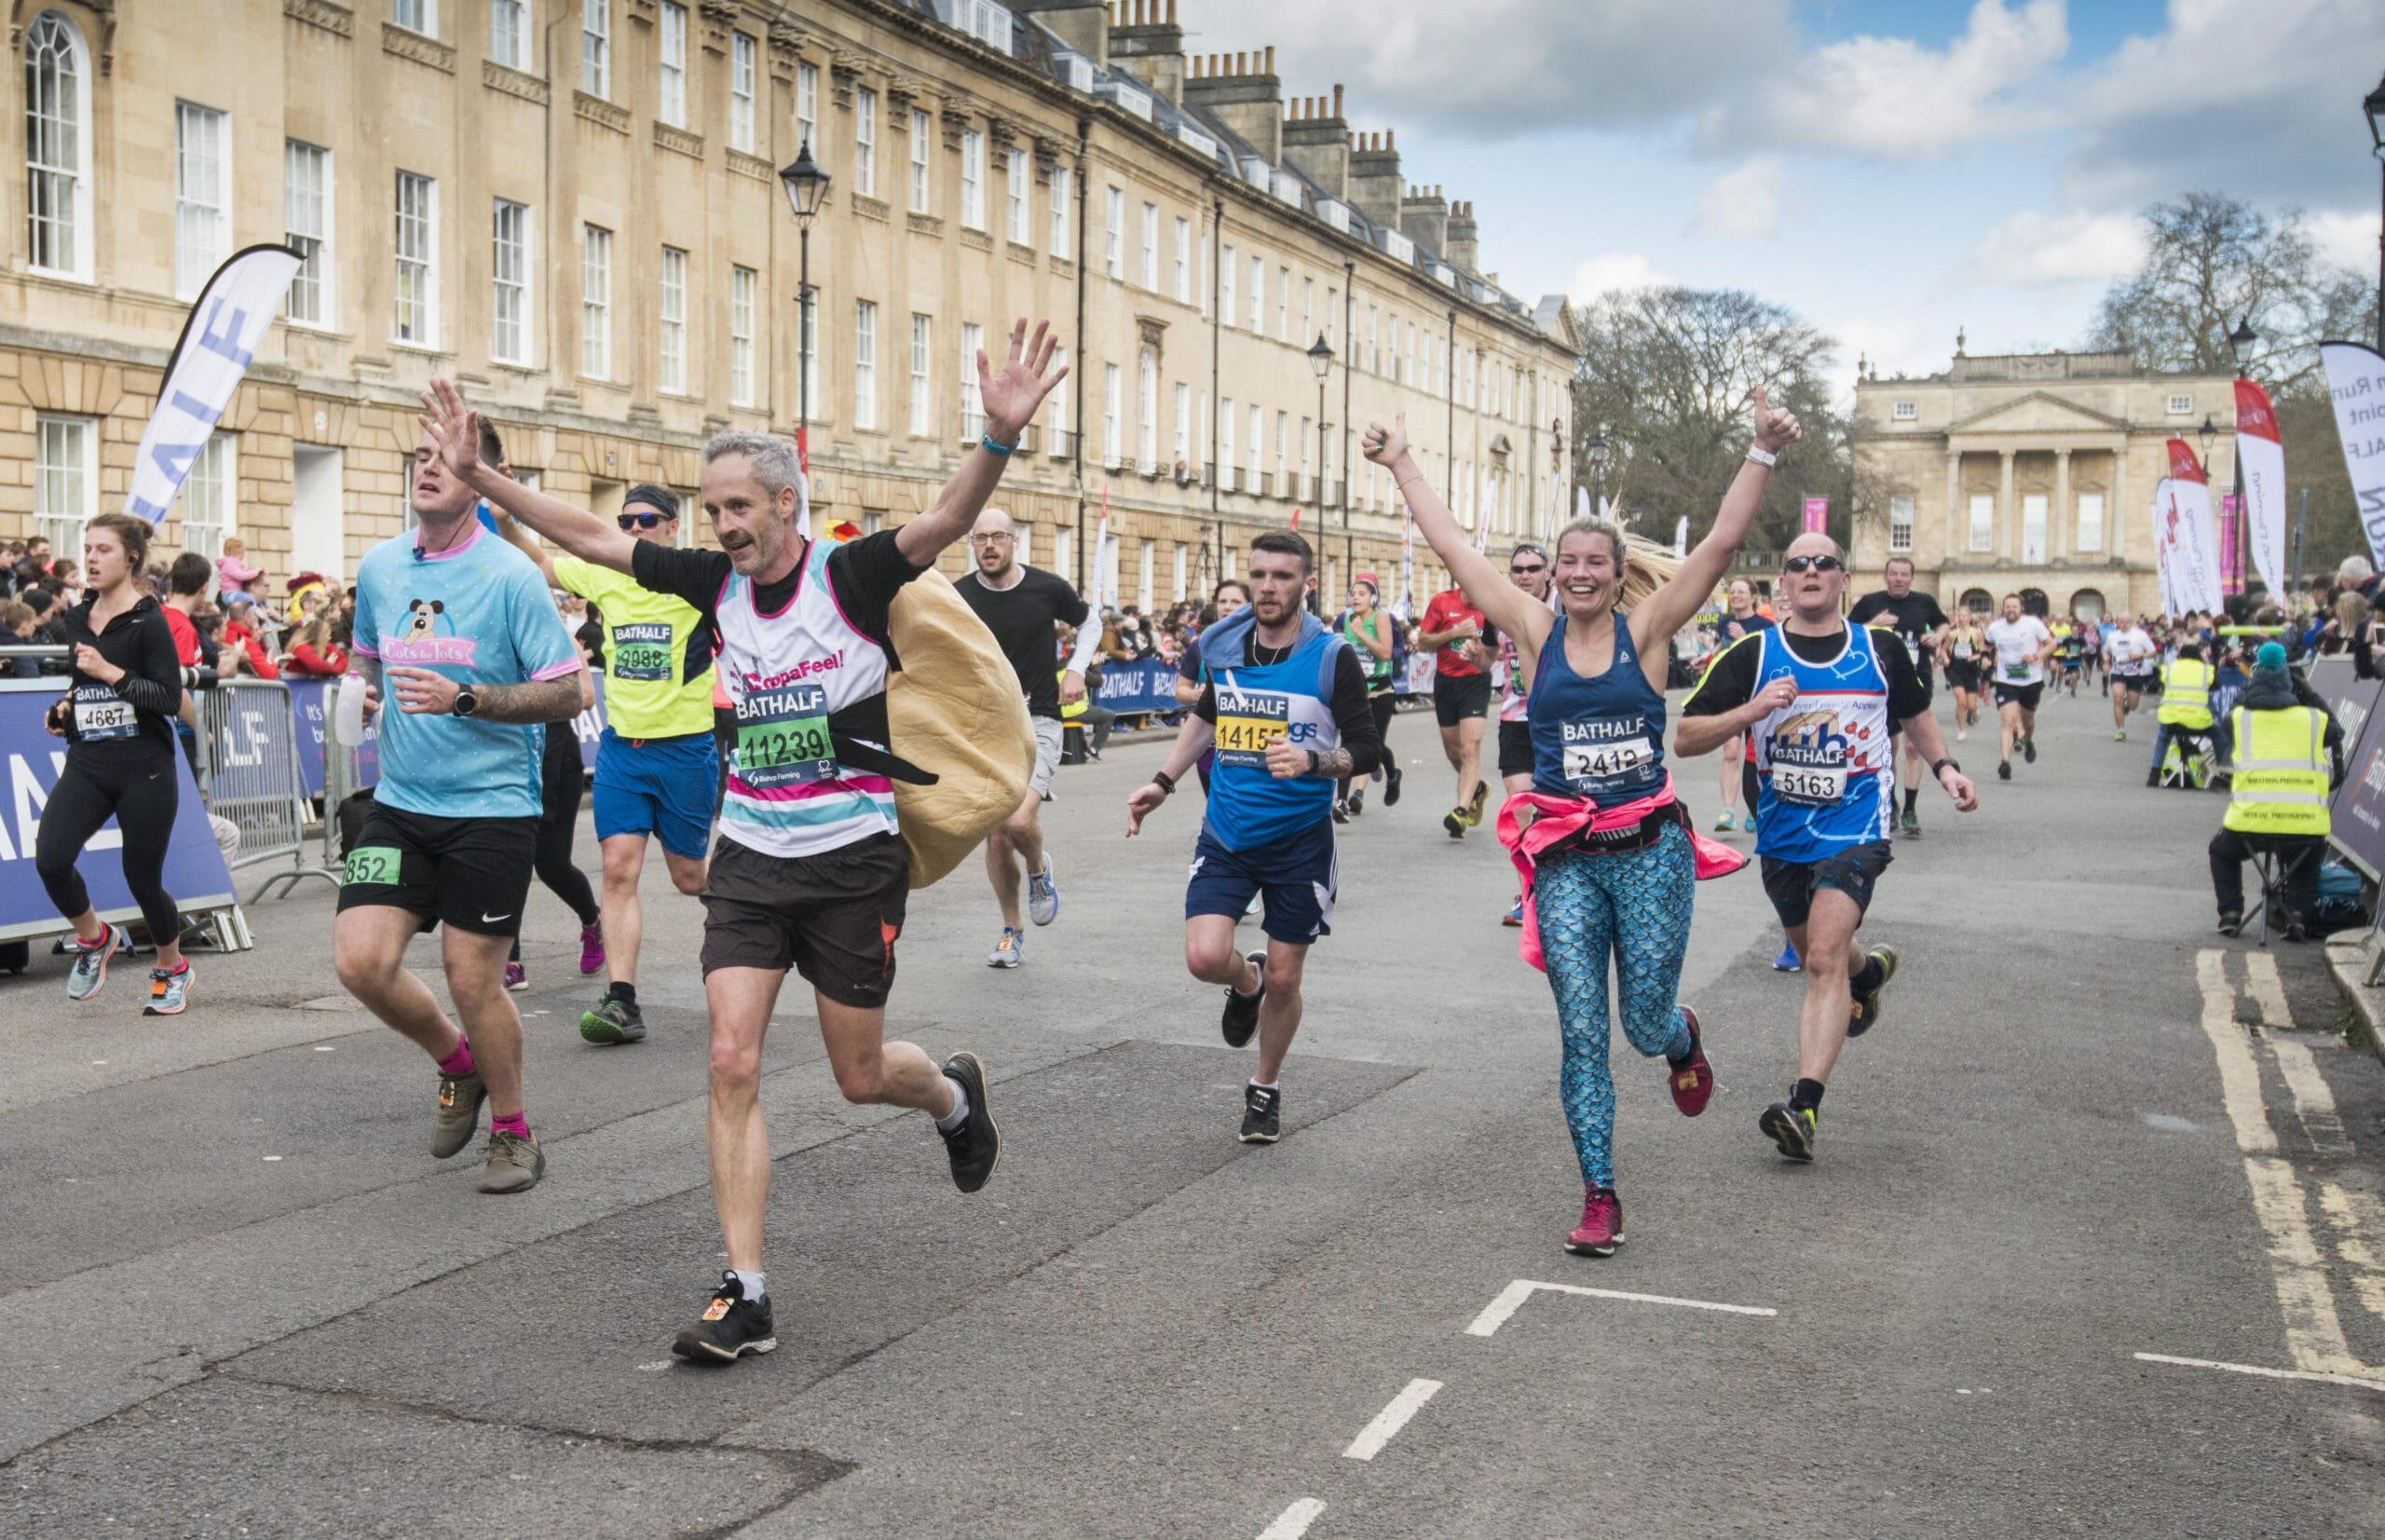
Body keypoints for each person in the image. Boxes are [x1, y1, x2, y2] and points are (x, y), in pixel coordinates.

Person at [423, 317, 1057, 1363]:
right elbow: (588, 537)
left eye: (739, 508)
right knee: (729, 1059)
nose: (722, 525)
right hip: (755, 856)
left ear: (785, 505)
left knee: (859, 1076)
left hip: (854, 860)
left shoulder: (850, 580)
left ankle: (949, 1096)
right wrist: (482, 477)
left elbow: (944, 521)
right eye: (711, 508)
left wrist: (995, 438)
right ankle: (745, 1289)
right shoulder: (709, 586)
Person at [1375, 395, 1796, 1255]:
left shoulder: (1649, 631)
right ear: (1552, 573)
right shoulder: (1533, 633)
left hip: (1650, 858)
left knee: (1641, 1025)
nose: (1576, 573)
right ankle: (1599, 1192)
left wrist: (1761, 450)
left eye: (1592, 562)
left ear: (1615, 571)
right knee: (1580, 1030)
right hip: (1565, 859)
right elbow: (1456, 547)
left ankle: (1681, 1035)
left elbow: (1716, 546)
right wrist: (1401, 464)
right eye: (1564, 561)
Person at [331, 425, 590, 1197]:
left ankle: (514, 1131)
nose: (427, 468)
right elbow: (364, 654)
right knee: (360, 961)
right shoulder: (380, 566)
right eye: (419, 456)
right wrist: (362, 689)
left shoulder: (511, 575)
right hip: (402, 803)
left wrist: (467, 697)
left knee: (472, 977)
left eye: (445, 459)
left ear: (481, 480)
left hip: (493, 808)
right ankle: (458, 1062)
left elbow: (570, 691)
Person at [1677, 532, 1979, 1165]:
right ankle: (1868, 973)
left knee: (1818, 957)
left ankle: (1803, 1105)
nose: (1811, 571)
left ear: (1844, 578)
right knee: (1827, 952)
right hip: (1784, 833)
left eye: (1825, 563)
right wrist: (1753, 708)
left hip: (1856, 826)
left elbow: (1917, 713)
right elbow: (1686, 736)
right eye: (1798, 565)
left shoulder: (1881, 648)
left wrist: (1947, 767)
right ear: (1782, 583)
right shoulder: (1752, 652)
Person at [1126, 528, 1383, 1145]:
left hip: (1299, 838)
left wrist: (1315, 761)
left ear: (1306, 584)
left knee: (1289, 979)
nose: (1269, 587)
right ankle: (1247, 982)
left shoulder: (1329, 656)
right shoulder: (1227, 648)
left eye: (1283, 577)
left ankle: (1264, 1087)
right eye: (1260, 575)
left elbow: (1368, 747)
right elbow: (1208, 718)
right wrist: (1163, 781)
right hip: (1229, 830)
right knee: (1205, 956)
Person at [497, 481, 714, 1044]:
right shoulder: (605, 576)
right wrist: (507, 518)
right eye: (626, 523)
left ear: (672, 527)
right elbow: (541, 562)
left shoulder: (699, 580)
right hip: (623, 749)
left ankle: (754, 919)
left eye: (647, 521)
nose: (635, 531)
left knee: (691, 878)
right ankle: (623, 1001)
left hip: (686, 749)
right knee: (619, 870)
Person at [35, 513, 195, 1015]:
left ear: (130, 559)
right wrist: (66, 708)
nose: (90, 558)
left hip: (144, 765)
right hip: (89, 761)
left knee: (142, 877)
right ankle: (95, 937)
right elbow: (84, 685)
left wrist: (113, 672)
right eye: (86, 548)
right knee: (51, 857)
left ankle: (172, 967)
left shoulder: (151, 622)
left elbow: (170, 699)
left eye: (102, 550)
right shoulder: (78, 615)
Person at [955, 506, 1099, 969]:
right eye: (981, 538)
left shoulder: (1046, 587)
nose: (989, 546)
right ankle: (1011, 930)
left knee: (1016, 822)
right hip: (984, 725)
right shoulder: (958, 596)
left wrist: (1075, 668)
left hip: (1039, 718)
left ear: (1015, 542)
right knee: (996, 836)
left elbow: (1090, 621)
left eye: (998, 537)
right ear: (972, 544)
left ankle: (1039, 868)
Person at [2210, 644, 2341, 940]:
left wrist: (2249, 688)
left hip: (2250, 826)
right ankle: (2296, 915)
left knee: (2220, 851)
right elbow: (2338, 731)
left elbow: (2232, 715)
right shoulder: (2314, 721)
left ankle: (2231, 913)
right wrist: (2309, 693)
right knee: (2309, 856)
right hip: (2303, 828)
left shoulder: (2240, 718)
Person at [1847, 557, 1949, 838]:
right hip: (1882, 682)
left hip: (1917, 678)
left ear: (1911, 578)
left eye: (1904, 574)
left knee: (1914, 747)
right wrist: (1873, 623)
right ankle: (1889, 802)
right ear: (1886, 577)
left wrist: (1938, 636)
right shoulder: (1869, 602)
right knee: (1887, 747)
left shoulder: (1924, 602)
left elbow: (1943, 624)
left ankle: (1911, 809)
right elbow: (1846, 634)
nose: (1899, 579)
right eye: (1894, 574)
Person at [1487, 542, 1554, 923]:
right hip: (1515, 718)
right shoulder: (1497, 609)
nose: (1525, 575)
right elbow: (1485, 656)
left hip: (1558, 721)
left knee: (1557, 809)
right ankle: (1529, 892)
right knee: (1522, 807)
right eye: (1518, 569)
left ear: (1549, 572)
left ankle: (1562, 887)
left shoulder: (1565, 607)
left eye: (1533, 568)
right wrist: (1474, 657)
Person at [1417, 576, 1492, 838]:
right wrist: (1455, 633)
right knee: (1453, 752)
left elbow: (1502, 648)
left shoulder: (1491, 608)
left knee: (1469, 749)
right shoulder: (1442, 601)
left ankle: (1460, 811)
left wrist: (1482, 649)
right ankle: (1477, 788)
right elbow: (1423, 641)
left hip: (1476, 681)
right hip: (1446, 682)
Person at [1175, 579, 1250, 797]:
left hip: (1246, 743)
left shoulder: (1261, 644)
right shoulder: (1201, 645)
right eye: (1222, 601)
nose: (1227, 606)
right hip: (1210, 742)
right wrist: (1198, 695)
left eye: (1235, 601)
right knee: (1215, 802)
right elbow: (1181, 691)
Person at [1711, 579, 1774, 833]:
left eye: (1741, 592)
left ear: (1753, 597)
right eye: (1733, 592)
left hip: (1757, 699)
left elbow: (1765, 657)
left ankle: (1755, 806)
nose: (1736, 596)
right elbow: (1723, 653)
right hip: (1731, 697)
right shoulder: (1723, 623)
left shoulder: (1765, 626)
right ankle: (1728, 811)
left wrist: (1744, 638)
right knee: (1731, 752)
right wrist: (1710, 656)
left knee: (1759, 756)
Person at [1334, 575, 1398, 821]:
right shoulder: (1347, 620)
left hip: (1381, 692)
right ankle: (1341, 801)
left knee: (1375, 746)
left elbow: (1385, 653)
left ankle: (1393, 775)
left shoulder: (1379, 618)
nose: (1356, 598)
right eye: (1353, 594)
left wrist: (1361, 634)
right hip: (1356, 693)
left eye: (1362, 594)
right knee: (1347, 744)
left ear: (1373, 598)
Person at [1983, 594, 2052, 781]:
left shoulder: (2033, 624)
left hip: (2031, 680)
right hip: (2006, 680)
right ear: (2003, 609)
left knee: (2028, 721)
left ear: (2021, 608)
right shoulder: (1995, 627)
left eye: (2014, 606)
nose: (2011, 610)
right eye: (2007, 607)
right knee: (2008, 721)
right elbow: (1986, 644)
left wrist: (2037, 656)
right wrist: (1985, 657)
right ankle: (2005, 762)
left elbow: (2051, 644)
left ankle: (2028, 741)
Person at [2148, 640, 2219, 788]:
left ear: (2180, 655)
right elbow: (2216, 686)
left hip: (2171, 719)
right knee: (2219, 734)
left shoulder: (2169, 668)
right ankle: (2222, 770)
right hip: (2198, 722)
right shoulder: (2206, 670)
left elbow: (2159, 682)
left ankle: (2154, 775)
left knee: (2163, 738)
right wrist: (2206, 662)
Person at [2105, 612, 2158, 740]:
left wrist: (2140, 656)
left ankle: (2127, 708)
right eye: (2122, 621)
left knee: (2133, 705)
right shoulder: (2112, 636)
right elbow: (2106, 651)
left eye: (2127, 621)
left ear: (2132, 622)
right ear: (2117, 622)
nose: (2124, 624)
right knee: (2118, 699)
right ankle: (2121, 730)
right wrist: (2106, 659)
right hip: (2118, 672)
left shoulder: (2141, 635)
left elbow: (2153, 652)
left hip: (2135, 673)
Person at [1942, 608, 1988, 742]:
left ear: (1969, 618)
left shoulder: (1977, 633)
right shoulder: (1952, 634)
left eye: (1964, 616)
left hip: (1972, 671)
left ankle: (1974, 709)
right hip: (1955, 670)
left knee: (1971, 705)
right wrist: (1945, 658)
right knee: (1961, 702)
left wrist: (1975, 657)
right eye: (1959, 616)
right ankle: (1962, 730)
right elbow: (1943, 650)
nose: (1961, 618)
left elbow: (1984, 651)